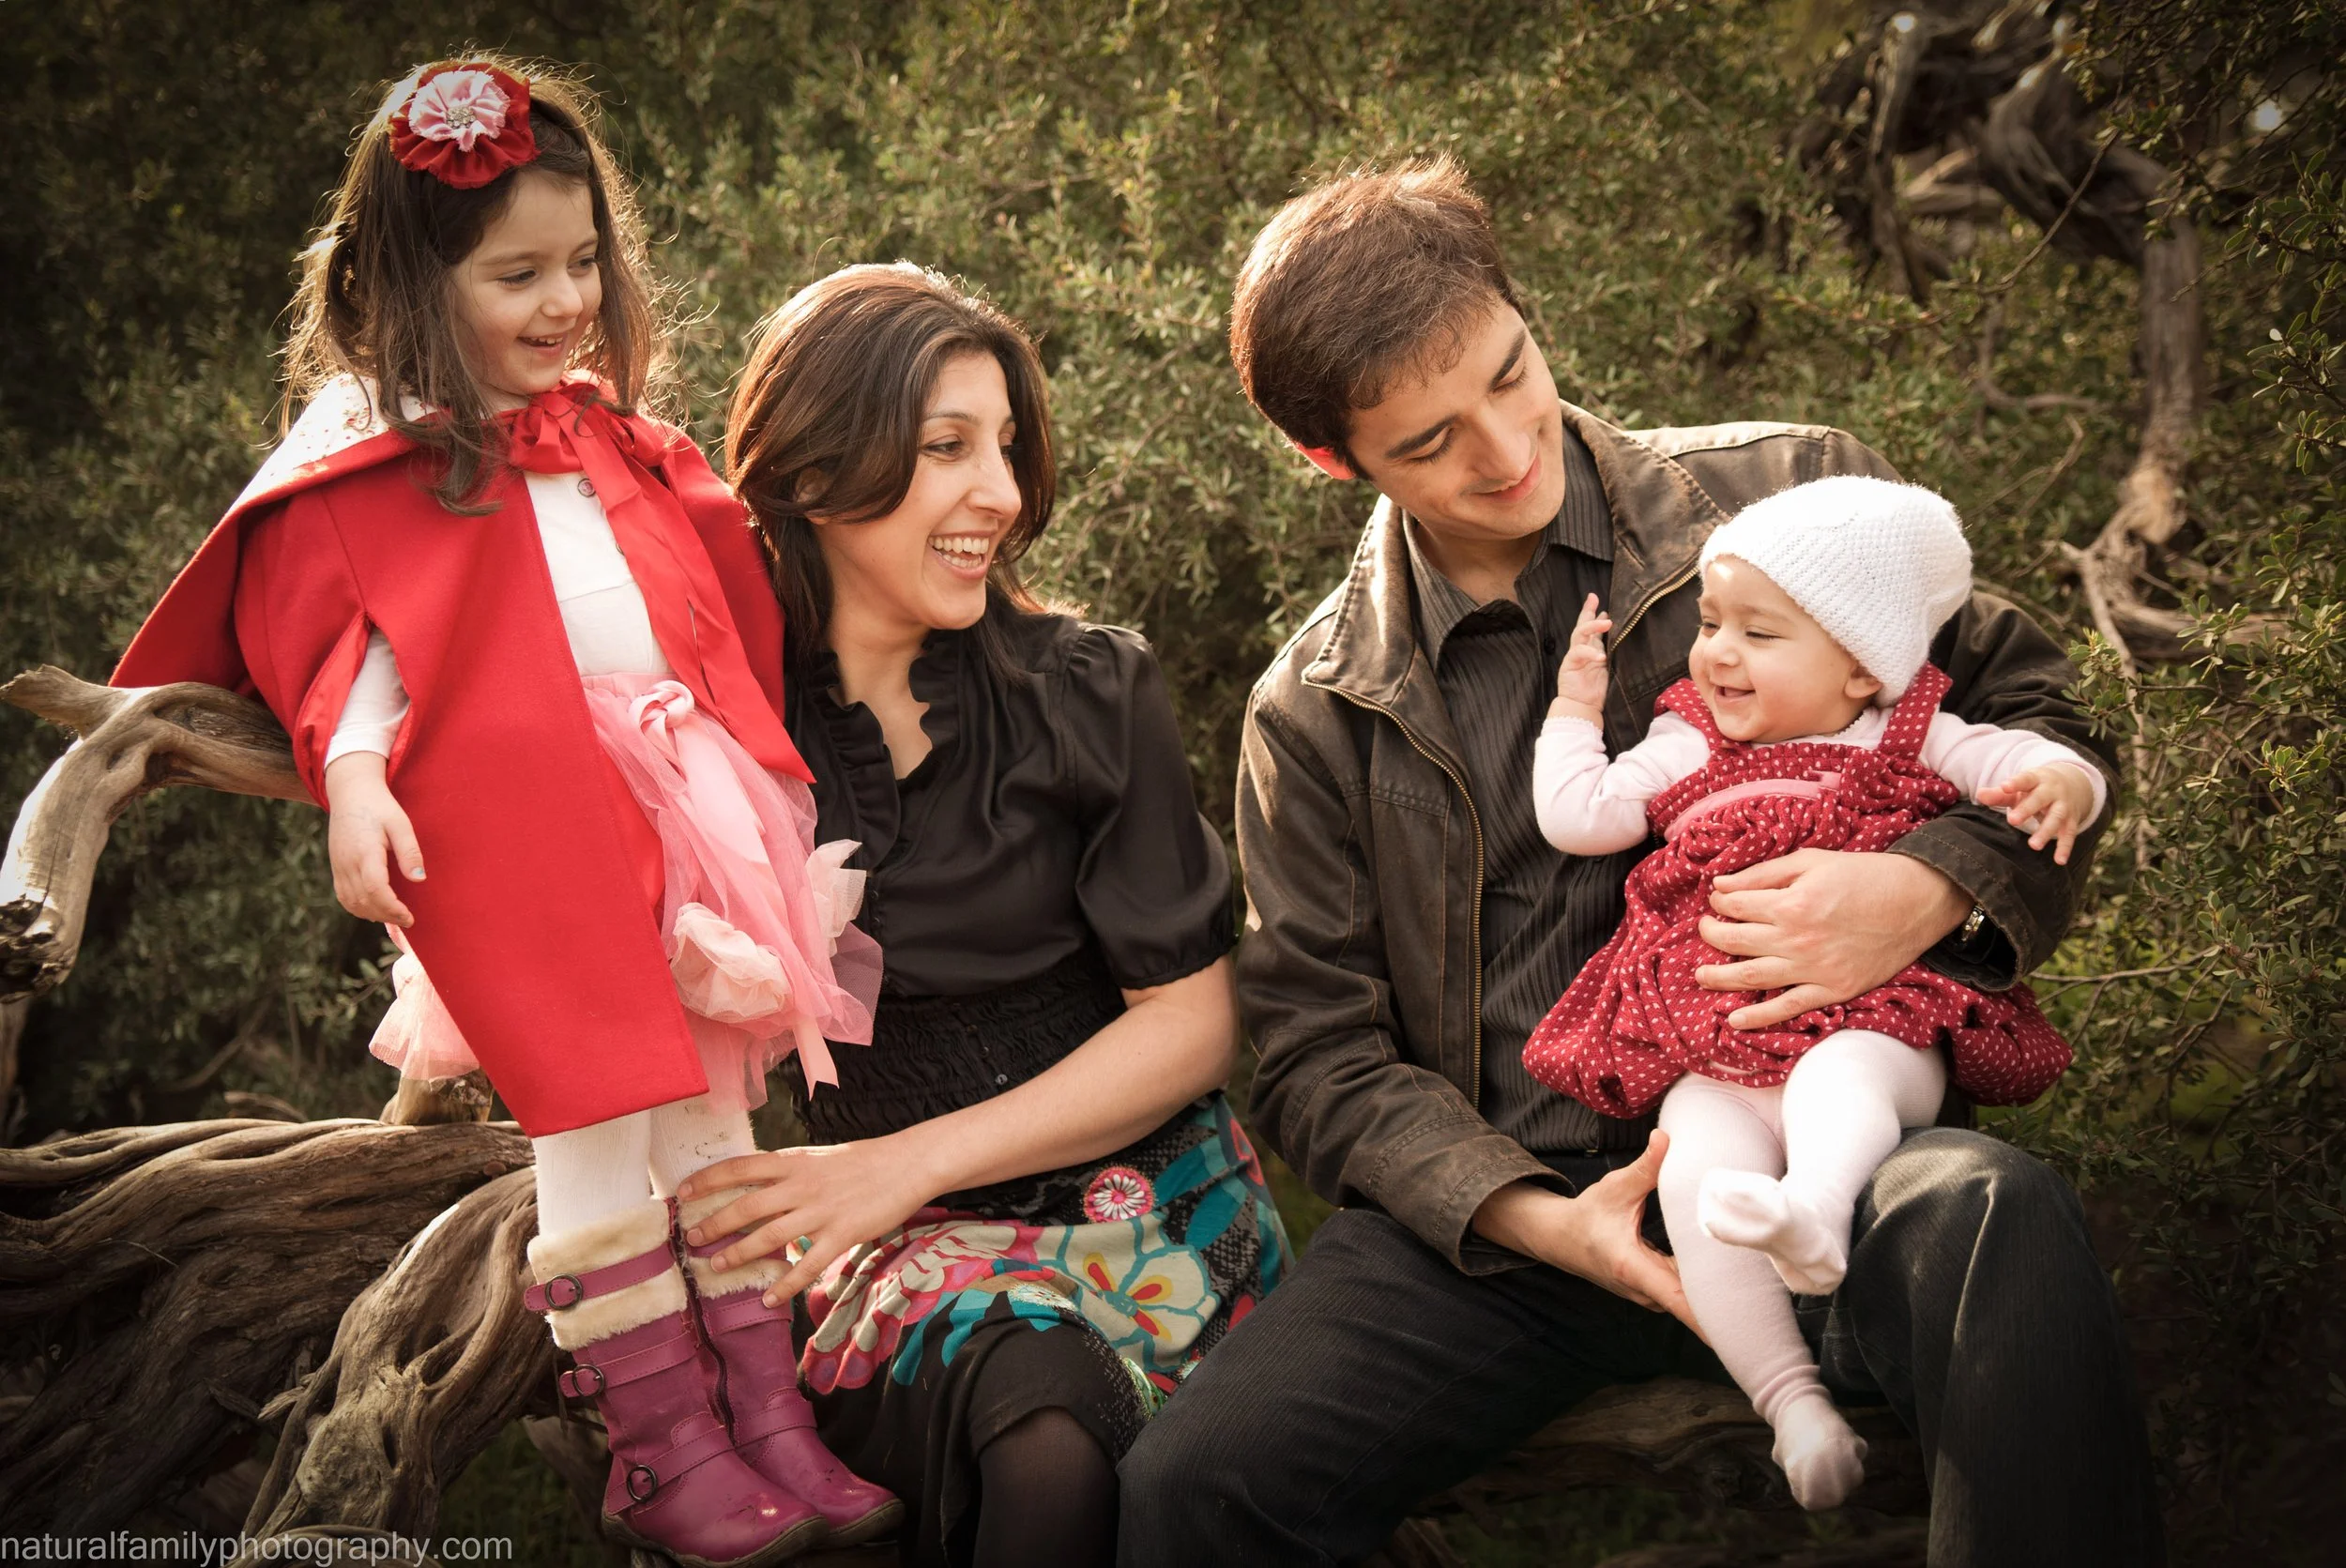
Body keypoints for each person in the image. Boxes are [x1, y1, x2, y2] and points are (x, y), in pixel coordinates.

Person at [1119, 157, 2162, 1566]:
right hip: (1511, 1244)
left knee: (2000, 1220)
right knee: (1191, 1486)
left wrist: (1927, 884)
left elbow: (2046, 720)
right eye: (1430, 440)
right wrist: (1544, 1225)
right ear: (1335, 459)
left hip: (1817, 1164)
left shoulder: (1802, 496)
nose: (1503, 449)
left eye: (1509, 371)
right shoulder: (1313, 707)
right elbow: (1313, 1052)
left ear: (1521, 309)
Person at [110, 58, 894, 1567]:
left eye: (584, 263)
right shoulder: (387, 462)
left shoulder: (600, 434)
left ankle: (774, 1413)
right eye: (516, 273)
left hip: (682, 826)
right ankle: (663, 1444)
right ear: (412, 286)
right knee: (597, 1126)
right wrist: (350, 782)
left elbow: (694, 580)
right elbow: (366, 643)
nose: (564, 301)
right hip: (534, 845)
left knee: (714, 1113)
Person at [671, 262, 1287, 1568]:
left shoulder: (1088, 689)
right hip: (894, 1250)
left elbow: (1190, 1020)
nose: (1000, 493)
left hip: (1159, 1211)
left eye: (1006, 446)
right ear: (820, 474)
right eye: (947, 446)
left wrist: (907, 1158)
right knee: (1039, 1417)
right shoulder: (715, 733)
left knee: (1127, 1440)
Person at [1523, 474, 2103, 1507]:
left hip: (1875, 1024)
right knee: (1692, 1169)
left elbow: (2017, 758)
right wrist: (1571, 711)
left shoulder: (1909, 730)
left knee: (1843, 1078)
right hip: (1714, 1039)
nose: (1719, 652)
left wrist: (2067, 782)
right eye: (1710, 622)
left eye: (1760, 632)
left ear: (1858, 670)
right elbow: (1582, 813)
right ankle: (1790, 1403)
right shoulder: (1688, 736)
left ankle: (1819, 1212)